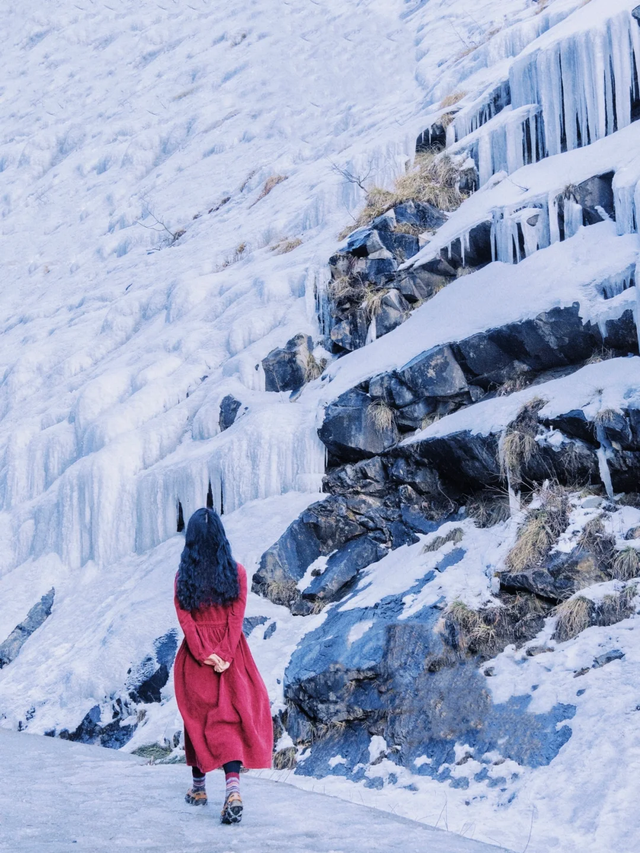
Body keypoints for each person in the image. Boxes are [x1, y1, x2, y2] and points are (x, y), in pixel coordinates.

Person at [173, 507, 273, 825]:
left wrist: (203, 653)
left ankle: (199, 788)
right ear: (221, 538)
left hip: (195, 659)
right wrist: (226, 654)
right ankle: (232, 789)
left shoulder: (183, 577)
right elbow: (236, 617)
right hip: (232, 658)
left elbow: (186, 619)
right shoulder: (236, 572)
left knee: (197, 720)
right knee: (228, 721)